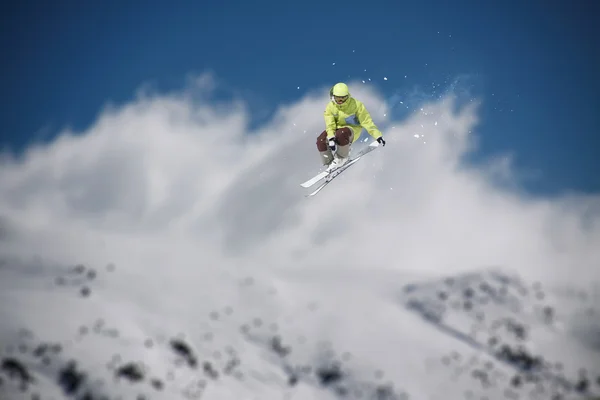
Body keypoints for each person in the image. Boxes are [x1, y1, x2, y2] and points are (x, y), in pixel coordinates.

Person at [316, 82, 386, 171]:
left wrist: (378, 135)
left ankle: (342, 158)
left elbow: (366, 121)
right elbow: (330, 124)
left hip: (351, 130)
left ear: (347, 96)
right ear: (333, 96)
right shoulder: (330, 107)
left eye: (343, 98)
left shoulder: (356, 105)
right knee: (321, 140)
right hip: (336, 129)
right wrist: (330, 138)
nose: (340, 101)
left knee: (341, 133)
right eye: (338, 98)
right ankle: (330, 164)